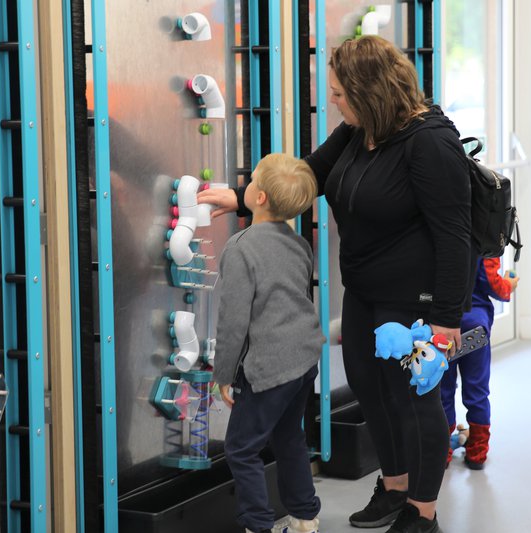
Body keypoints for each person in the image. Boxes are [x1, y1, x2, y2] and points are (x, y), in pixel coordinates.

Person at [200, 35, 473, 533]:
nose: (334, 101)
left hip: (417, 301)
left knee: (415, 401)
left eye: (340, 93)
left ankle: (423, 512)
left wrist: (446, 319)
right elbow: (307, 177)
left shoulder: (430, 142)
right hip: (366, 291)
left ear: (370, 92)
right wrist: (244, 197)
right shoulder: (358, 131)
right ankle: (393, 489)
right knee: (372, 391)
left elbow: (455, 236)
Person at [213, 153, 325, 533]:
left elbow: (233, 322)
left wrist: (223, 375)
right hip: (305, 359)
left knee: (241, 448)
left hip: (270, 367)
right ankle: (305, 516)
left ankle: (257, 524)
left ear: (259, 197)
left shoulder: (241, 248)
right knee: (289, 435)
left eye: (253, 178)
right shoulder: (298, 244)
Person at [441, 258, 519, 469]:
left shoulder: (438, 234)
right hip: (474, 327)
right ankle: (477, 452)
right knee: (477, 389)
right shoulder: (483, 238)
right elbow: (493, 284)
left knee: (443, 391)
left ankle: (443, 453)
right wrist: (509, 285)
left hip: (442, 326)